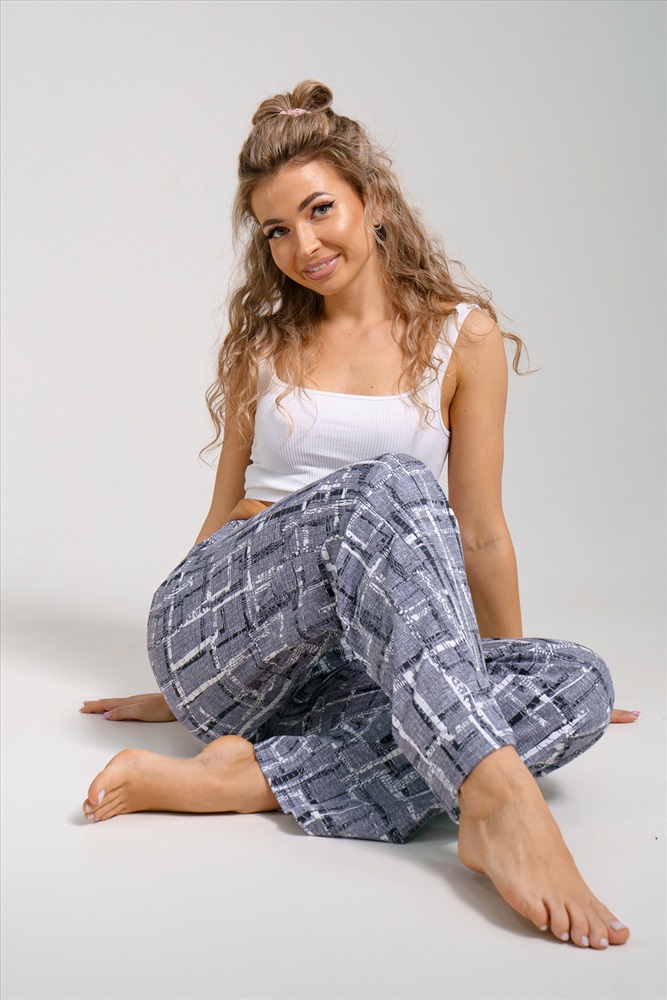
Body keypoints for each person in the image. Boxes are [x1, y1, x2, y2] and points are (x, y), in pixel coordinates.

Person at [81, 81, 637, 949]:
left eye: (319, 211)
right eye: (275, 230)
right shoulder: (262, 345)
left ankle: (251, 778)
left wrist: (492, 674)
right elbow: (222, 517)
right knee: (393, 486)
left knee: (582, 684)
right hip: (226, 630)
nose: (302, 245)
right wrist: (184, 672)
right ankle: (498, 802)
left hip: (350, 666)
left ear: (371, 200)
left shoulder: (463, 338)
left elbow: (481, 531)